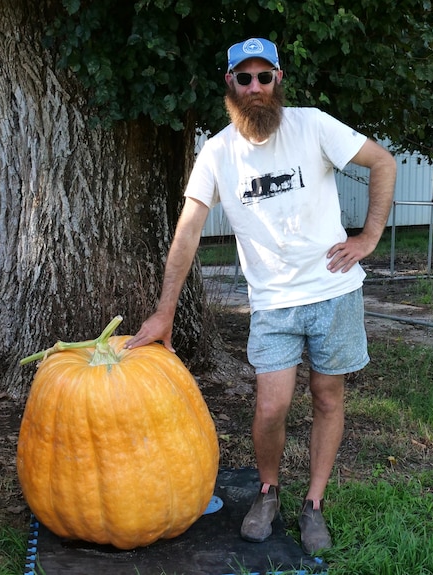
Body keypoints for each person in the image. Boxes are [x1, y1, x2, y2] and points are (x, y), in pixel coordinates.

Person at [125, 37, 396, 555]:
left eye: (263, 77)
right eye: (243, 78)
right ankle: (268, 491)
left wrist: (368, 237)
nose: (255, 88)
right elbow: (187, 232)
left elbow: (383, 162)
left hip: (334, 292)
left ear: (278, 80)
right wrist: (165, 312)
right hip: (272, 303)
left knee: (326, 397)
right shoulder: (218, 151)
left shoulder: (313, 125)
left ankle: (313, 503)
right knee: (271, 407)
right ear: (229, 84)